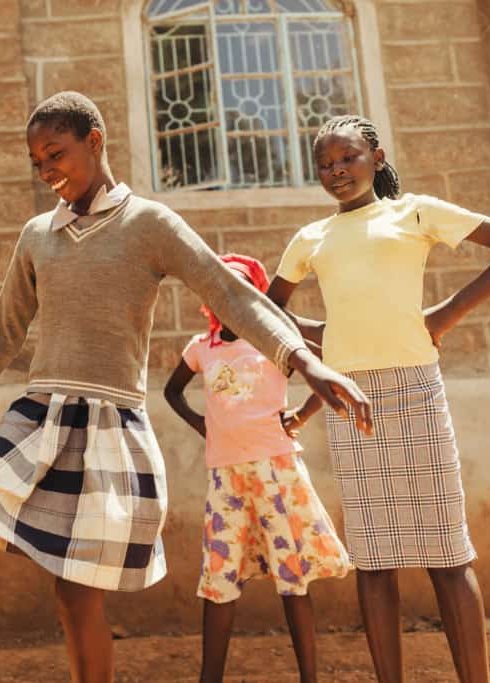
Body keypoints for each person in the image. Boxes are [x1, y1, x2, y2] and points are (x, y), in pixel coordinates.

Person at [0, 91, 372, 683]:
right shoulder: (37, 235)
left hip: (109, 425)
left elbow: (232, 296)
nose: (47, 171)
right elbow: (1, 335)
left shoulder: (150, 223)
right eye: (36, 162)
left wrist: (306, 362)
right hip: (38, 415)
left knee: (76, 596)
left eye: (56, 154)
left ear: (94, 142)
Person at [267, 114, 490, 683]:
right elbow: (269, 307)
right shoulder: (311, 239)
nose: (336, 171)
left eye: (347, 158)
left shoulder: (414, 212)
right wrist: (320, 334)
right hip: (351, 400)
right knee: (375, 562)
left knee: (448, 553)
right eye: (325, 164)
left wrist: (446, 314)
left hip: (415, 387)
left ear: (376, 157)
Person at [164, 253, 350, 683]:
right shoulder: (202, 347)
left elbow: (328, 373)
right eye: (221, 284)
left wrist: (300, 416)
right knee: (220, 576)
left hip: (277, 471)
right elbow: (172, 391)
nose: (231, 292)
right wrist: (202, 426)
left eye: (242, 283)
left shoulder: (275, 339)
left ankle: (309, 677)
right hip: (226, 476)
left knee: (292, 575)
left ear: (257, 292)